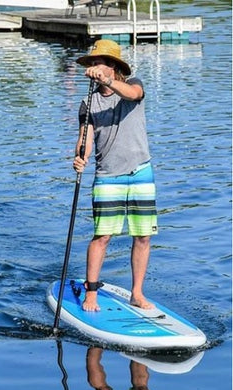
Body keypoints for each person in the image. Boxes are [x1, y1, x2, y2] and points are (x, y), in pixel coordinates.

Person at [73, 39, 158, 312]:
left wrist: (109, 82)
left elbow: (132, 95)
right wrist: (80, 157)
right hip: (108, 176)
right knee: (103, 236)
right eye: (93, 63)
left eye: (101, 63)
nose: (96, 68)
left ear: (113, 67)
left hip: (141, 172)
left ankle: (137, 293)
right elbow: (84, 139)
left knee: (143, 236)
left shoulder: (134, 84)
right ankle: (91, 294)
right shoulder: (88, 102)